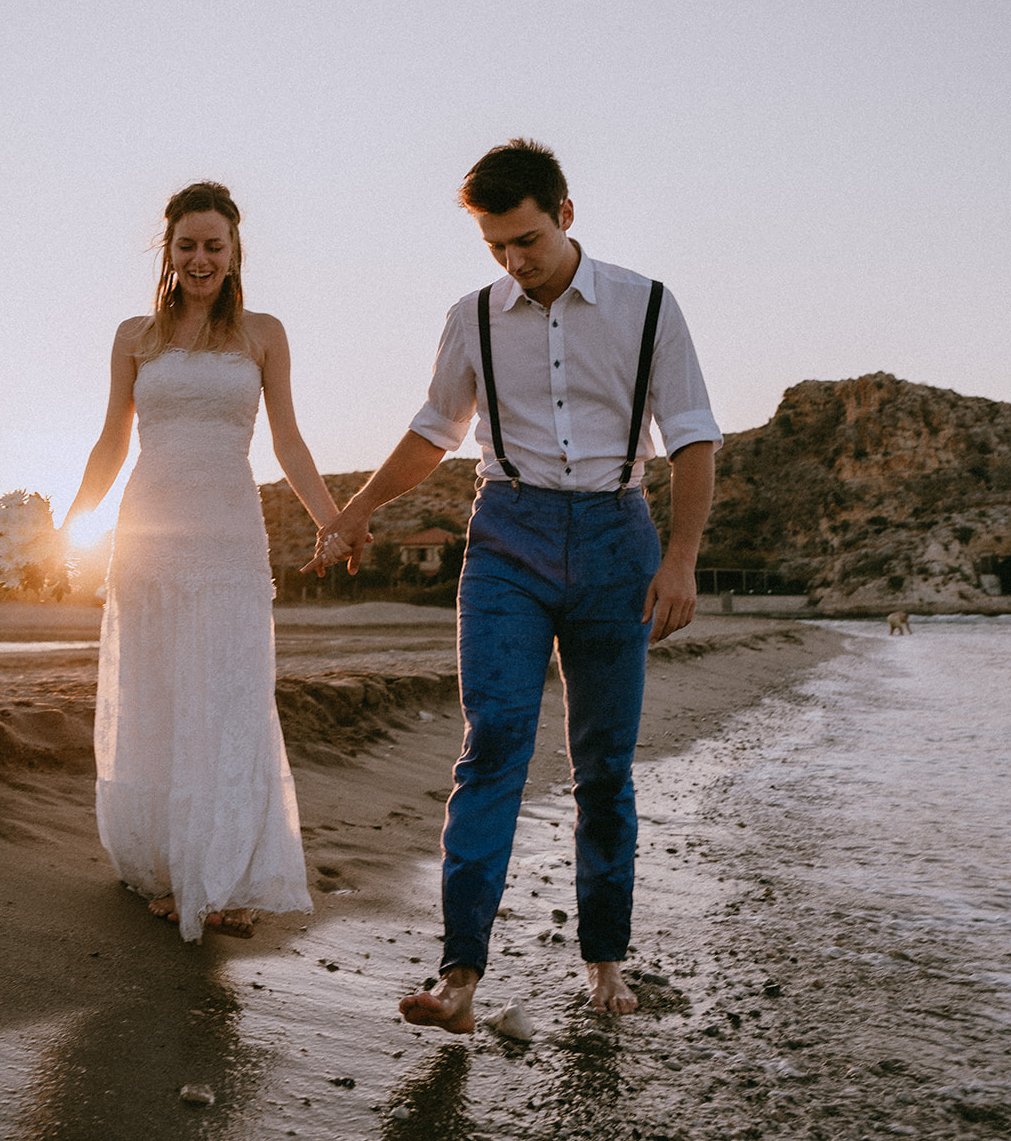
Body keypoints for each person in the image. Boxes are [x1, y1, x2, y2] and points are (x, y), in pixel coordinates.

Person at [309, 141, 720, 1021]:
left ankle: (606, 962)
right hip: (507, 539)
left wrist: (680, 560)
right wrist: (359, 507)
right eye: (497, 247)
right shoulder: (473, 317)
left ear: (566, 215)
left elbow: (691, 436)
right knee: (492, 744)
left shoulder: (648, 306)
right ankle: (459, 978)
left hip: (619, 541)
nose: (514, 262)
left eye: (527, 240)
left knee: (603, 766)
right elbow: (435, 429)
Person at [63, 181, 337, 942]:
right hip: (148, 533)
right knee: (159, 693)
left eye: (214, 244)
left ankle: (228, 876)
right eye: (187, 244)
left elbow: (287, 440)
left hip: (227, 535)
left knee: (229, 693)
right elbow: (112, 441)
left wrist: (332, 520)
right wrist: (72, 523)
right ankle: (175, 868)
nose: (200, 258)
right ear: (169, 250)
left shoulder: (263, 334)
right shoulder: (134, 337)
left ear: (234, 250)